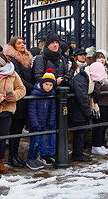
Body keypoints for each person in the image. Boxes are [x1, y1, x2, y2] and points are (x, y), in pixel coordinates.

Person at [32, 31, 69, 163]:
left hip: (58, 96)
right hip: (44, 96)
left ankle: (52, 151)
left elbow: (66, 72)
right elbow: (37, 76)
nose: (55, 45)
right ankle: (44, 153)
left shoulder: (61, 58)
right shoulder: (40, 59)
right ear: (47, 45)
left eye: (57, 43)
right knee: (43, 125)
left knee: (54, 125)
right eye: (53, 43)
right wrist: (53, 81)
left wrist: (65, 78)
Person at [3, 36, 33, 167]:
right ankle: (12, 156)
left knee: (19, 128)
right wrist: (33, 87)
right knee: (15, 128)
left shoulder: (26, 58)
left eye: (23, 43)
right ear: (13, 46)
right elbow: (18, 78)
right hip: (18, 98)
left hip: (25, 97)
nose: (22, 45)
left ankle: (15, 154)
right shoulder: (13, 60)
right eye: (19, 43)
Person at [69, 62, 101, 162]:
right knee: (79, 133)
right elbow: (82, 98)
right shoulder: (80, 79)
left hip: (81, 109)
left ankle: (79, 153)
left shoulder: (89, 78)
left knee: (82, 132)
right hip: (77, 109)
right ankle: (77, 154)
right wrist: (88, 113)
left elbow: (95, 89)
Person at [89, 52, 108, 156]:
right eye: (99, 58)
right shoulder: (93, 69)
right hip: (99, 102)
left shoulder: (107, 69)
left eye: (103, 58)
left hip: (107, 101)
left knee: (105, 123)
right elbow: (95, 86)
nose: (102, 60)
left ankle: (101, 144)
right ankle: (96, 145)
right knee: (98, 124)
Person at [26, 68, 56, 170]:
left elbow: (53, 109)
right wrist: (34, 123)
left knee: (39, 142)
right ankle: (30, 159)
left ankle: (35, 158)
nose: (48, 87)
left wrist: (51, 121)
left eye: (51, 85)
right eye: (46, 84)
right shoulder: (35, 93)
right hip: (36, 123)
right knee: (35, 141)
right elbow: (32, 110)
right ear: (42, 83)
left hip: (44, 122)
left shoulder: (52, 94)